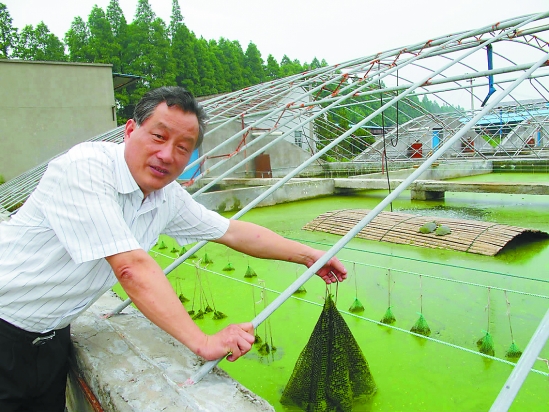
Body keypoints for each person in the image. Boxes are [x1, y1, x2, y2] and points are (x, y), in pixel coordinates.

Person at [0, 86, 347, 411]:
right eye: (159, 136)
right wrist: (203, 341)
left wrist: (308, 256)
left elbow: (231, 231)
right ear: (130, 130)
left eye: (183, 147)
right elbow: (130, 268)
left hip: (52, 338)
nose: (167, 155)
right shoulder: (86, 169)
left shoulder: (166, 196)